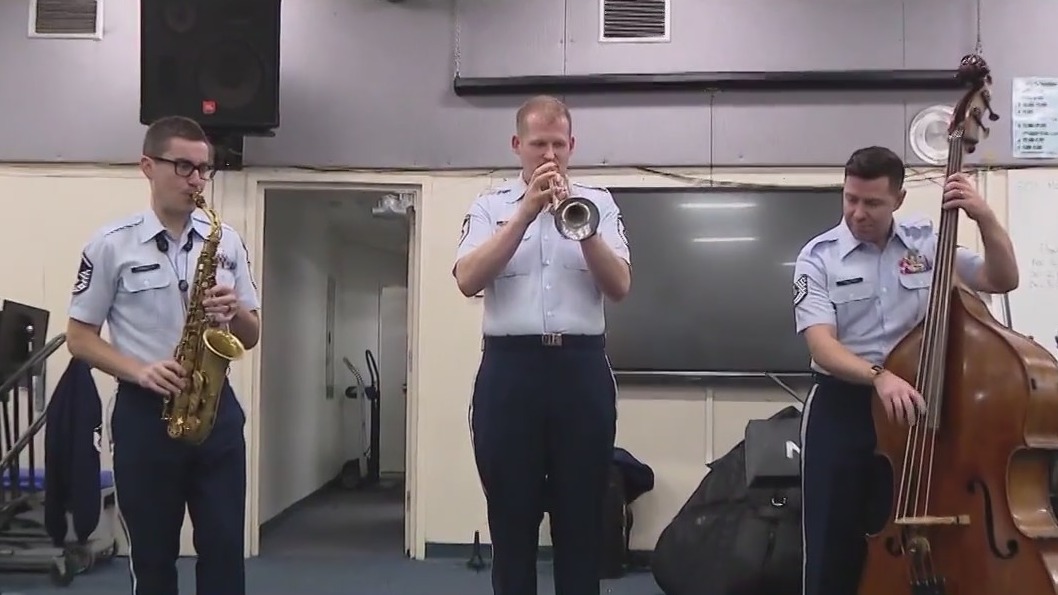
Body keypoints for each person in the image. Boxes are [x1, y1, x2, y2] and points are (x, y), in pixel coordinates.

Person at [792, 145, 1019, 595]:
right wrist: (879, 375)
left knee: (905, 534)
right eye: (850, 199)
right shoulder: (817, 257)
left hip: (914, 410)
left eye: (872, 202)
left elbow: (1001, 278)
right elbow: (821, 343)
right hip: (845, 405)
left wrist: (984, 217)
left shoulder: (926, 243)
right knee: (831, 541)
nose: (858, 212)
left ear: (898, 198)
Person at [65, 115, 261, 595]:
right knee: (152, 560)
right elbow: (78, 337)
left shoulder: (226, 241)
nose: (196, 180)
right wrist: (139, 370)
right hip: (143, 415)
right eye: (183, 166)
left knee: (224, 554)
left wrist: (233, 312)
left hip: (216, 413)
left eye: (204, 169)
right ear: (147, 166)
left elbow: (251, 334)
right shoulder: (110, 244)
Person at [453, 95, 632, 595]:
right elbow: (467, 280)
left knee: (582, 522)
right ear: (517, 146)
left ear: (572, 145)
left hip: (581, 370)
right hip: (511, 373)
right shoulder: (488, 207)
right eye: (538, 145)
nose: (549, 155)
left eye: (558, 144)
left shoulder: (601, 203)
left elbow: (619, 287)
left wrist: (585, 230)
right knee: (511, 523)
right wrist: (526, 214)